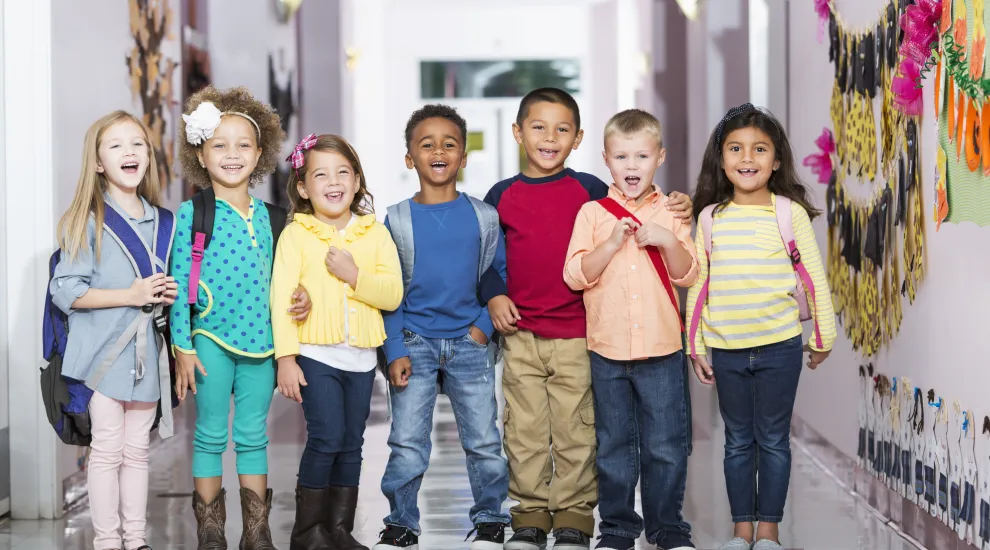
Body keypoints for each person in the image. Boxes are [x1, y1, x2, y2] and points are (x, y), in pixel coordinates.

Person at [482, 88, 694, 550]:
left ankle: (577, 517)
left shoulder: (594, 192)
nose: (549, 137)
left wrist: (681, 205)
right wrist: (494, 296)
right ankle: (530, 516)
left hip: (581, 334)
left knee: (579, 430)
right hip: (522, 334)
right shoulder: (501, 196)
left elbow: (639, 201)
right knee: (525, 429)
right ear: (518, 132)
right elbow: (482, 260)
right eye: (538, 127)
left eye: (562, 129)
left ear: (577, 140)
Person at [685, 103, 836, 550]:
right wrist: (694, 345)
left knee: (772, 440)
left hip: (781, 347)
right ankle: (741, 531)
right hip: (727, 348)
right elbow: (700, 285)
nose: (747, 158)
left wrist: (822, 336)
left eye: (759, 149)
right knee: (737, 443)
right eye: (735, 148)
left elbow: (813, 277)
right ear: (721, 158)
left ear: (776, 160)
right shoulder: (710, 218)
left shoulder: (788, 214)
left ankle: (767, 531)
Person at [170, 86, 309, 550]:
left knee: (253, 435)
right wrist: (183, 347)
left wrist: (302, 300)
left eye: (244, 145)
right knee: (210, 433)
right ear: (201, 154)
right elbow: (177, 288)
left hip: (263, 344)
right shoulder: (192, 213)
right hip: (209, 337)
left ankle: (257, 531)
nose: (233, 155)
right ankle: (210, 532)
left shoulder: (277, 218)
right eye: (220, 145)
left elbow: (290, 281)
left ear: (262, 152)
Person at [374, 104, 512, 550]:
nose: (439, 151)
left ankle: (491, 519)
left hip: (469, 343)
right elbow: (389, 290)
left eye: (449, 144)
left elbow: (498, 274)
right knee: (408, 442)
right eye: (426, 144)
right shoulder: (395, 219)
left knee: (484, 440)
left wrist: (481, 329)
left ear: (464, 156)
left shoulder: (483, 216)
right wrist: (394, 348)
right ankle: (401, 523)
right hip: (413, 342)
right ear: (409, 157)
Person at [563, 109, 698, 550]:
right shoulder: (592, 213)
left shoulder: (673, 212)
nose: (632, 165)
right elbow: (575, 275)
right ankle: (618, 529)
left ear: (660, 156)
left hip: (662, 350)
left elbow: (689, 274)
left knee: (666, 445)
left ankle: (667, 528)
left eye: (642, 155)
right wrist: (609, 244)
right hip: (608, 351)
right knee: (615, 447)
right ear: (606, 159)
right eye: (622, 156)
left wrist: (667, 239)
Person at [51, 110, 179, 550]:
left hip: (147, 356)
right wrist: (131, 293)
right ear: (99, 162)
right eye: (117, 145)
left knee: (137, 451)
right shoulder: (86, 220)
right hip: (100, 355)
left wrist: (167, 292)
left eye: (138, 143)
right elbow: (67, 291)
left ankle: (136, 539)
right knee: (106, 448)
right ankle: (107, 541)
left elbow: (160, 287)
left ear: (149, 155)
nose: (130, 151)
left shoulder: (166, 221)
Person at [271, 133, 402, 550]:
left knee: (351, 443)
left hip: (361, 357)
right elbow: (281, 297)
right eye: (320, 174)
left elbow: (392, 293)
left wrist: (353, 275)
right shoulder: (297, 234)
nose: (333, 181)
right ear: (303, 187)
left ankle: (339, 530)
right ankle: (308, 533)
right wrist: (287, 358)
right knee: (326, 437)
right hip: (315, 354)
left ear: (358, 180)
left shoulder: (374, 233)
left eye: (343, 172)